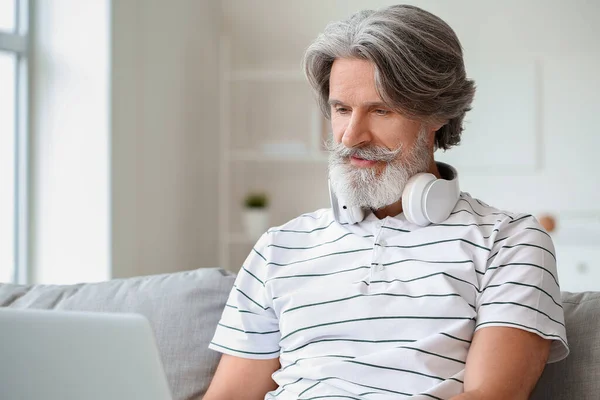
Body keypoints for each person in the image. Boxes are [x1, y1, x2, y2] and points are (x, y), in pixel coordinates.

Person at [204, 4, 568, 399]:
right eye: (341, 109)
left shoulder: (509, 242)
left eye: (381, 110)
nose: (350, 136)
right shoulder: (279, 247)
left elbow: (494, 395)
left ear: (437, 115)